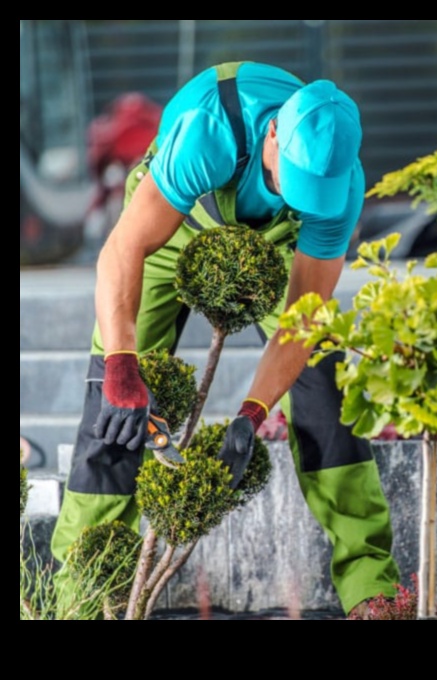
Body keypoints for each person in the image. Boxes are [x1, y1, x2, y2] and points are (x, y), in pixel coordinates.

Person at [50, 61, 400, 618]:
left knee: (324, 387)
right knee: (112, 406)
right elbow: (122, 250)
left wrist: (252, 412)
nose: (306, 198)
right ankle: (81, 595)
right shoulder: (208, 130)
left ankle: (371, 586)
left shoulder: (338, 189)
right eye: (294, 182)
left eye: (318, 194)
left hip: (275, 240)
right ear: (274, 135)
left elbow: (300, 323)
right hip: (175, 222)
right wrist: (122, 365)